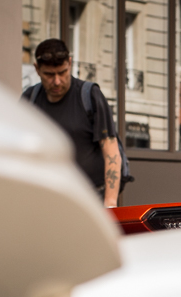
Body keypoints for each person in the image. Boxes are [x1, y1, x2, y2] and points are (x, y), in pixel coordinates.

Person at [23, 39, 123, 208]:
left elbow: (111, 151)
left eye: (62, 72)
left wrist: (110, 204)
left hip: (91, 199)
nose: (57, 81)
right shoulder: (29, 100)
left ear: (69, 63)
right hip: (46, 200)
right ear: (37, 69)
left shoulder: (90, 96)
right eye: (49, 74)